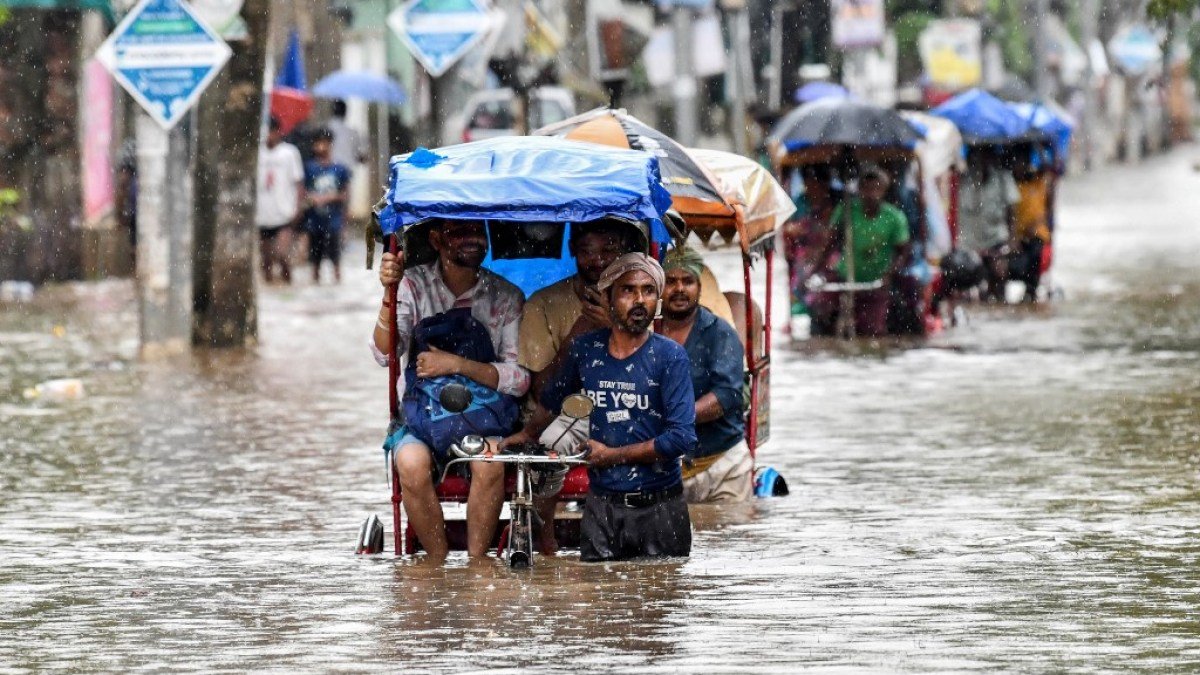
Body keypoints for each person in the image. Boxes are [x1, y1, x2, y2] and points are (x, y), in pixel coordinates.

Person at [505, 253, 697, 562]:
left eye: (648, 291)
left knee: (662, 602)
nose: (639, 300)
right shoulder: (587, 349)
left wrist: (612, 455)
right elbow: (554, 399)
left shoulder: (669, 357)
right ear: (606, 297)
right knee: (599, 602)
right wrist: (527, 433)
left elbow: (681, 439)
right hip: (602, 509)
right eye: (627, 290)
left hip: (660, 510)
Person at [372, 219, 530, 559]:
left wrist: (457, 365)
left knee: (489, 463)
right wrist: (389, 292)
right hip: (422, 420)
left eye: (478, 232)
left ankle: (477, 564)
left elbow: (519, 379)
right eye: (461, 232)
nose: (472, 240)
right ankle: (436, 564)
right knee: (411, 463)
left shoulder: (505, 296)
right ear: (436, 240)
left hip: (485, 419)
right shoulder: (412, 286)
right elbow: (385, 354)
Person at [517, 219, 638, 552]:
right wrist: (583, 328)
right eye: (587, 251)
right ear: (572, 251)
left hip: (623, 407)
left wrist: (618, 328)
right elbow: (544, 391)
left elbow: (648, 376)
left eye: (609, 250)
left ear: (624, 251)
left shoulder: (639, 301)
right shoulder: (543, 304)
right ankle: (545, 543)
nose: (598, 261)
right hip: (561, 412)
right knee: (548, 447)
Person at [659, 246, 751, 503]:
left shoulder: (719, 332)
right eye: (671, 282)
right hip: (665, 468)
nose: (679, 289)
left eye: (687, 281)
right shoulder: (645, 333)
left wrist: (676, 417)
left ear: (699, 287)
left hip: (722, 466)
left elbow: (727, 395)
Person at [808, 165, 912, 338]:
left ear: (884, 190)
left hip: (876, 282)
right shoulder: (847, 210)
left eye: (876, 188)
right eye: (866, 188)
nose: (871, 194)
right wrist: (815, 269)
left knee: (873, 331)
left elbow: (903, 251)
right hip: (846, 277)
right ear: (860, 189)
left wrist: (889, 274)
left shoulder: (894, 217)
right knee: (823, 318)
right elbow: (830, 244)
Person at [957, 149, 1018, 301]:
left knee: (999, 278)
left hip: (996, 238)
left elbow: (1012, 211)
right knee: (969, 286)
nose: (981, 160)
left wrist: (1012, 239)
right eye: (977, 156)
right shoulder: (963, 179)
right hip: (969, 242)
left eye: (985, 156)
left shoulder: (1003, 179)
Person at [255, 116, 305, 284]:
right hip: (262, 214)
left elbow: (299, 182)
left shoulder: (289, 153)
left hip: (284, 213)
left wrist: (298, 208)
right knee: (266, 261)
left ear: (277, 132)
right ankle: (272, 290)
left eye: (270, 131)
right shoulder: (258, 152)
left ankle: (288, 283)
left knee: (282, 255)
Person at [303, 127, 351, 284]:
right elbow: (303, 192)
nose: (321, 147)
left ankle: (337, 285)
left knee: (335, 260)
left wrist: (329, 198)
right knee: (314, 263)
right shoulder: (309, 168)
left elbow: (345, 194)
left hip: (334, 222)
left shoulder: (340, 169)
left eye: (324, 143)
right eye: (318, 143)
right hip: (314, 221)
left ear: (330, 144)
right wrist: (312, 198)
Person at [1010, 159, 1053, 303]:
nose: (1020, 168)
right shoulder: (1012, 186)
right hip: (1017, 237)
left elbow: (1049, 169)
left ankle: (1031, 290)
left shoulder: (1039, 183)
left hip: (1037, 236)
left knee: (1035, 253)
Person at [327, 99, 368, 173]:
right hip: (348, 169)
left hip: (329, 169)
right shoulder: (352, 132)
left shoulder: (327, 129)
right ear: (345, 112)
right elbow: (361, 156)